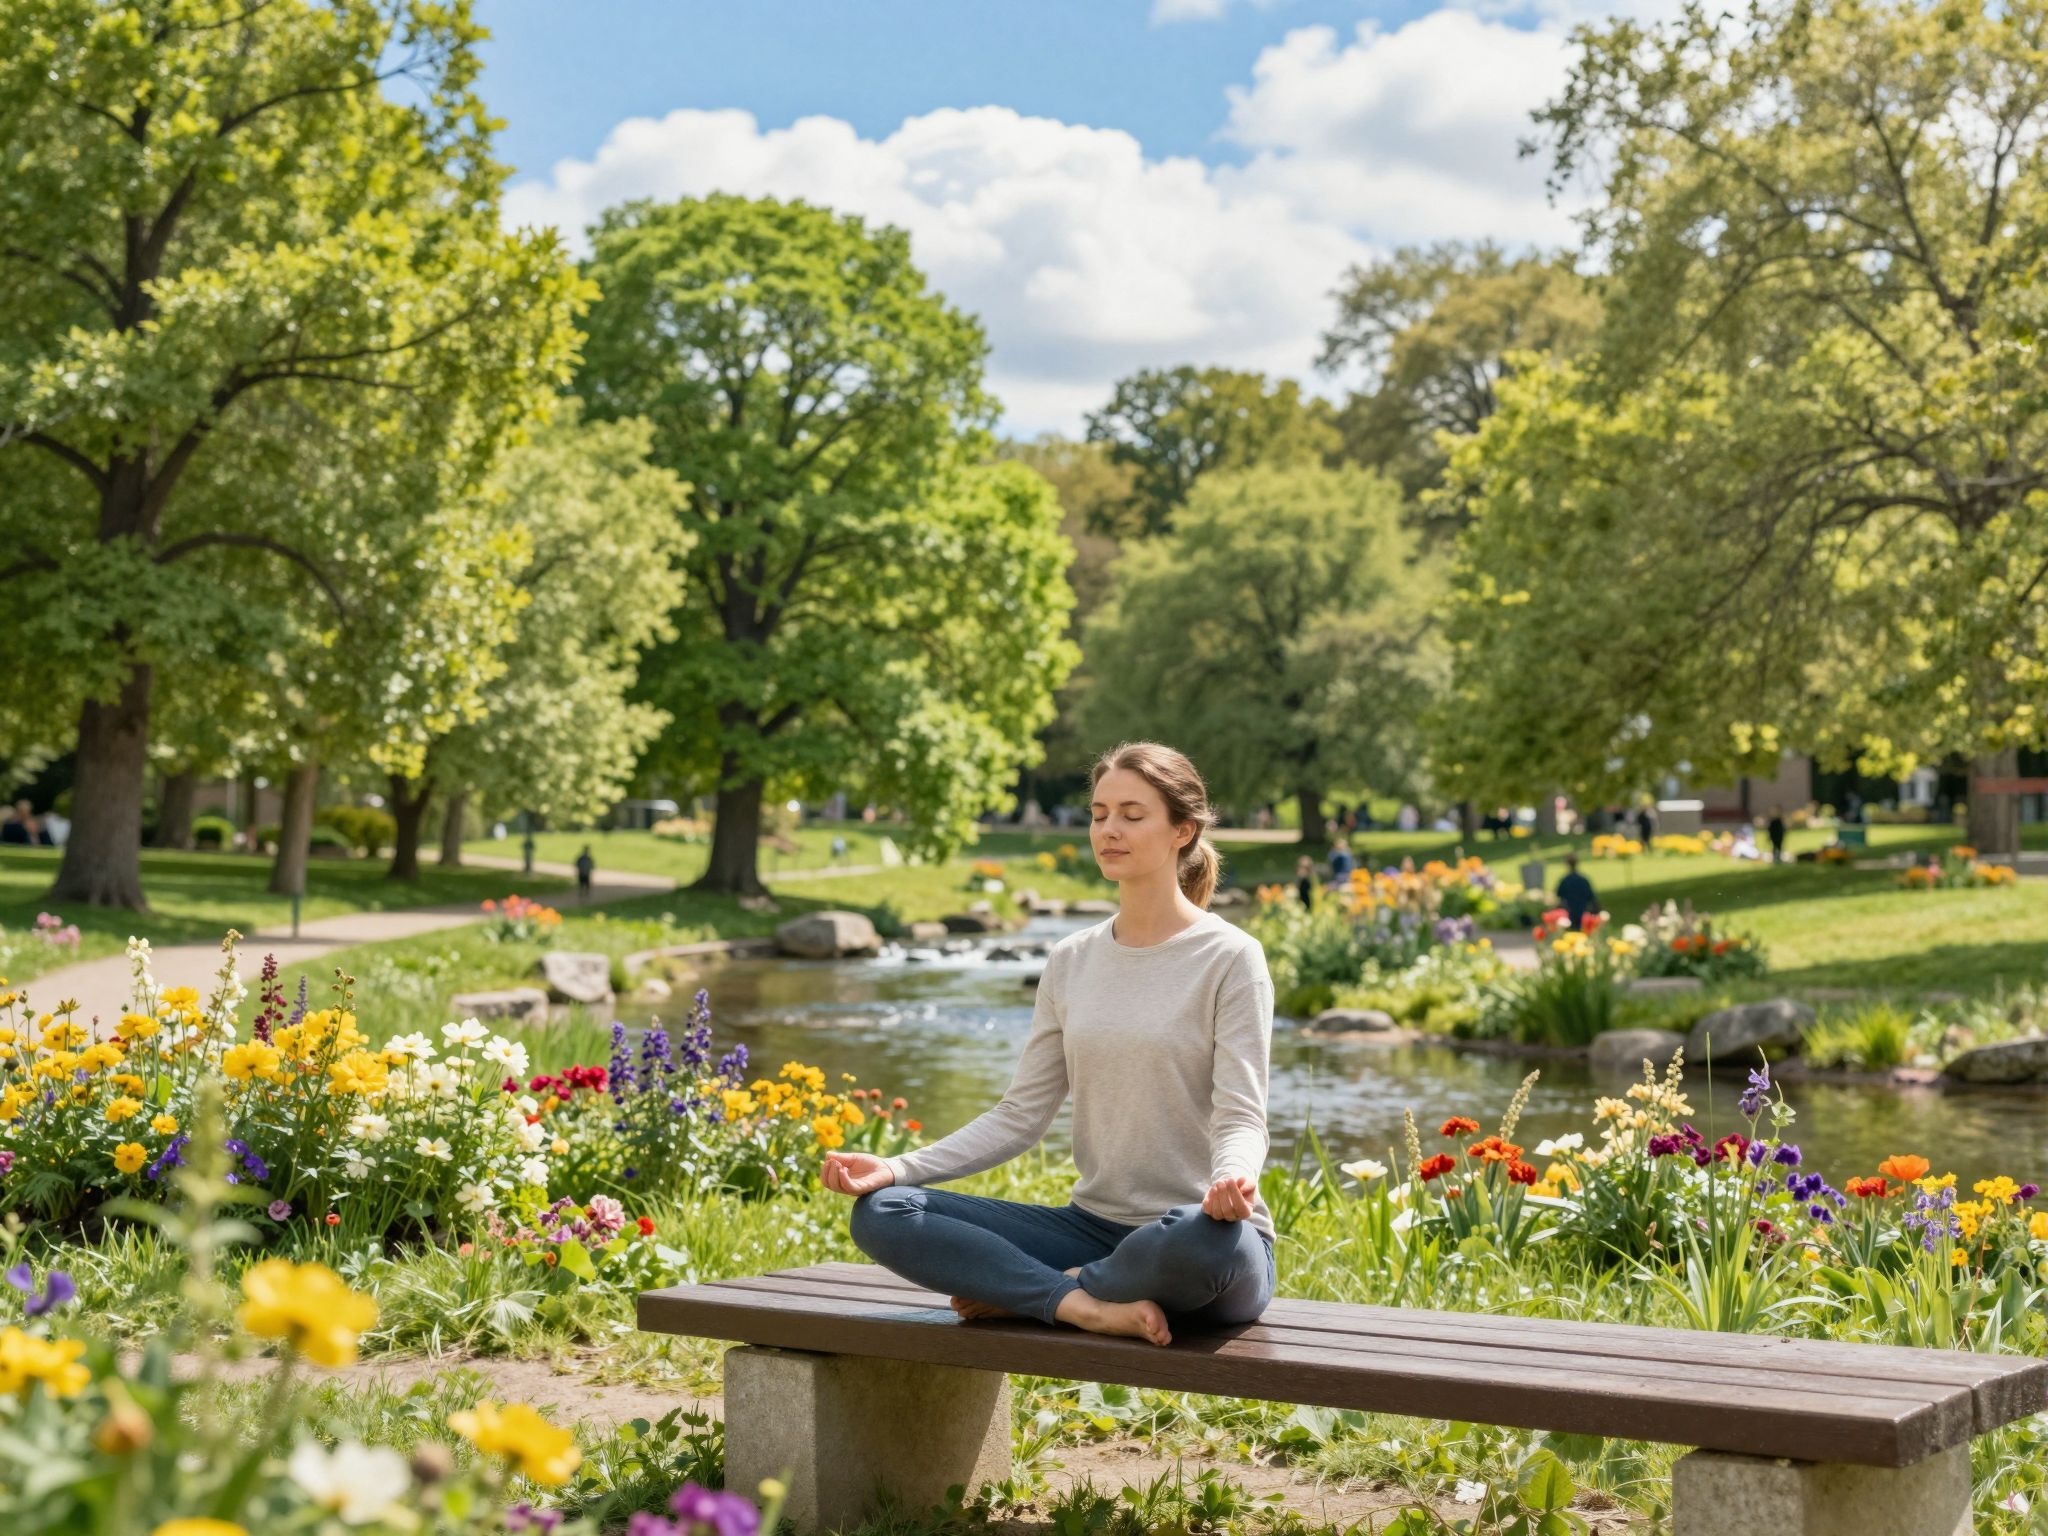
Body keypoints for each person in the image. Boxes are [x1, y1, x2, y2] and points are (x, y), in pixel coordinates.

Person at [821, 740, 1276, 1348]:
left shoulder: (1231, 957)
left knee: (1195, 1242)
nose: (1109, 830)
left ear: (1182, 831)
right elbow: (1020, 1116)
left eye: (1132, 815)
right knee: (884, 1212)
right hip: (1091, 1228)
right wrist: (898, 1167)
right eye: (1098, 813)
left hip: (1205, 1236)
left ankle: (1038, 1290)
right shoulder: (1071, 959)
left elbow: (1241, 1113)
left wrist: (1234, 1178)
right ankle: (1083, 1305)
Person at [1556, 852, 1598, 931]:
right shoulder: (1583, 880)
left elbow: (1559, 897)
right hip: (1584, 912)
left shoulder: (1565, 881)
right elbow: (1591, 897)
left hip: (1570, 914)